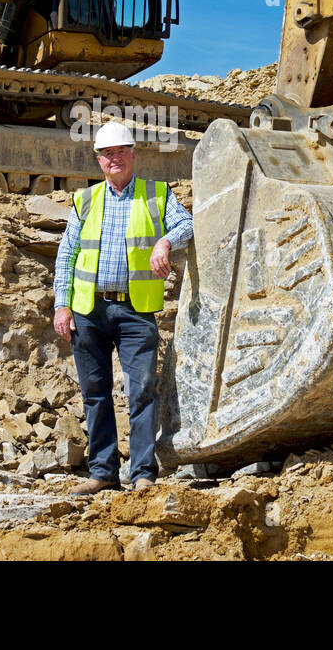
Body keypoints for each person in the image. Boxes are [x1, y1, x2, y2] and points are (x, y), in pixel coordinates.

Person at [52, 121, 193, 494]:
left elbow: (186, 224)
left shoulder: (156, 194)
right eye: (106, 154)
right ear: (99, 161)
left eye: (120, 152)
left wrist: (164, 242)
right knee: (95, 393)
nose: (114, 159)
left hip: (135, 311)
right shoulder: (85, 200)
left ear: (132, 155)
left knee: (143, 389)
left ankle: (143, 473)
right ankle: (102, 472)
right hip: (88, 310)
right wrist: (61, 306)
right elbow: (67, 255)